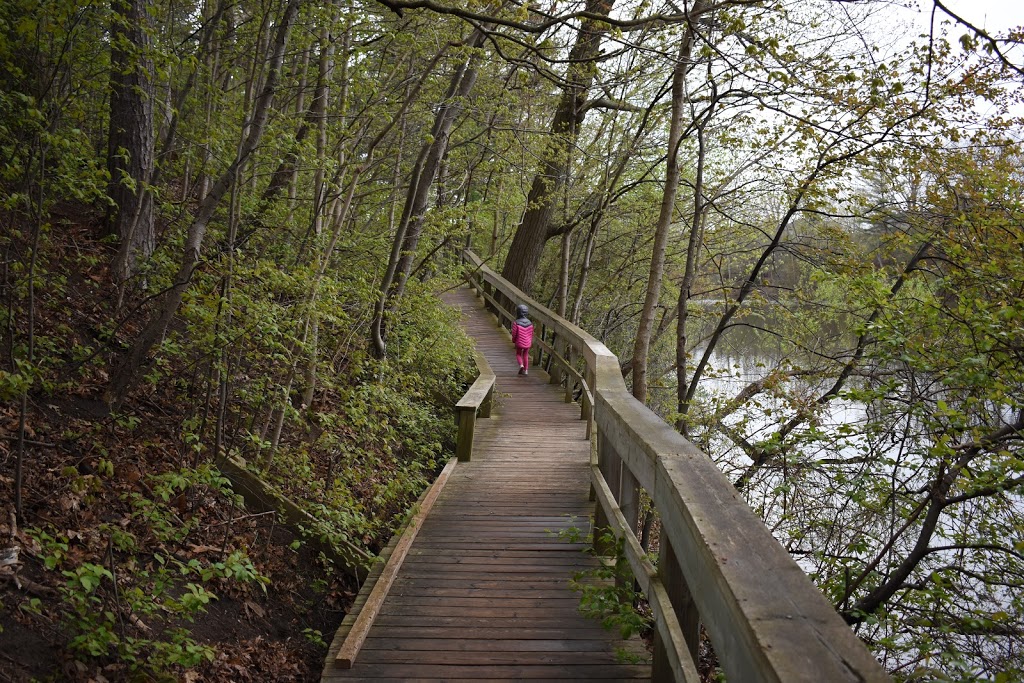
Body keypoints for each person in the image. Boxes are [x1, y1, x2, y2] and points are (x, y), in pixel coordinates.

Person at [510, 304, 534, 375]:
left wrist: (513, 340)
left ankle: (521, 365)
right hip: (527, 342)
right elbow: (531, 333)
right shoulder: (530, 323)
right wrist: (530, 341)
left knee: (518, 354)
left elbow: (514, 333)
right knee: (525, 355)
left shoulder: (516, 323)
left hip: (519, 342)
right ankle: (526, 370)